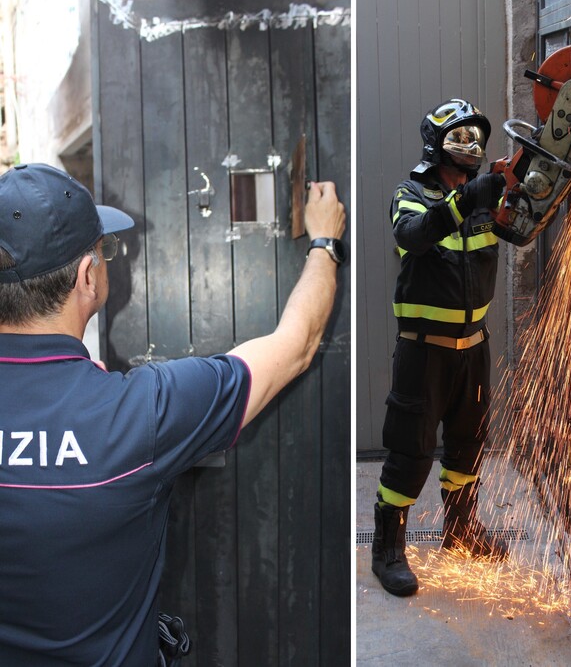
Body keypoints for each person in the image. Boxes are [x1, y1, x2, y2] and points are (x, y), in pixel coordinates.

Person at [0, 163, 345, 665]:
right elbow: (297, 344)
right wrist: (324, 242)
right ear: (87, 276)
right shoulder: (143, 410)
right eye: (105, 250)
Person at [371, 98, 508, 597]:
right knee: (412, 452)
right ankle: (387, 550)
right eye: (458, 137)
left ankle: (462, 532)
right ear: (436, 144)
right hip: (423, 352)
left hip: (474, 349)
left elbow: (520, 226)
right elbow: (415, 234)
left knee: (469, 444)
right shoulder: (410, 196)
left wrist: (530, 186)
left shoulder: (483, 203)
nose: (469, 146)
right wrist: (466, 199)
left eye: (475, 138)